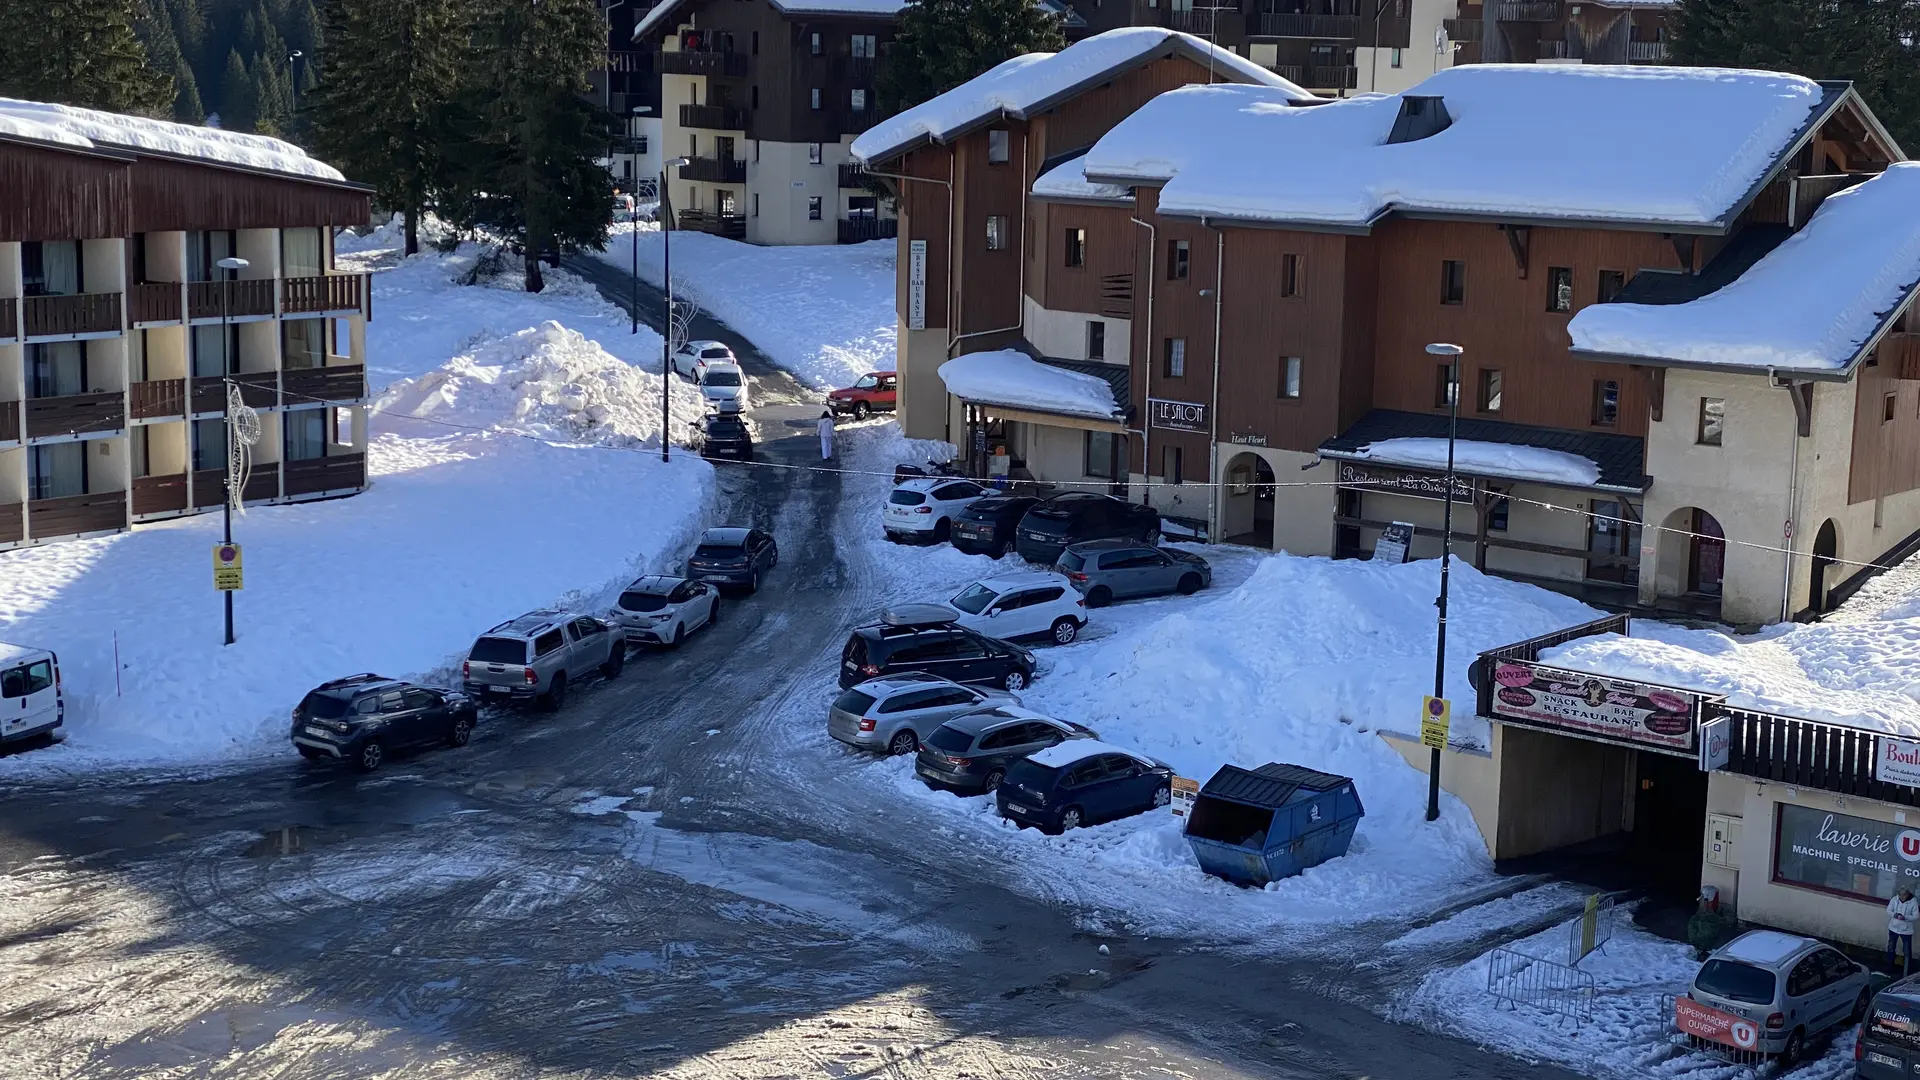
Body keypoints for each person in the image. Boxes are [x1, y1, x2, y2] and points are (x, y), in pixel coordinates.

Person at [1890, 886, 1917, 972]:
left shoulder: (1913, 902)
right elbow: (1888, 909)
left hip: (1906, 931)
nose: (1901, 897)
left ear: (1907, 895)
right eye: (1900, 894)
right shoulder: (1895, 899)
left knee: (1907, 951)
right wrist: (1894, 915)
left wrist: (1905, 917)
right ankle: (1890, 967)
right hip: (1893, 928)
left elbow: (1916, 916)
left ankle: (1907, 971)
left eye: (1903, 895)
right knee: (1891, 948)